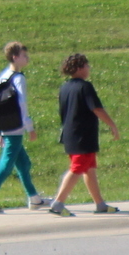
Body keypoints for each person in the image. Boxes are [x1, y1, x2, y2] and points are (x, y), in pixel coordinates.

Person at [0, 42, 50, 214]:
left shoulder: (3, 76)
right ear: (15, 57)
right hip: (16, 126)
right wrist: (30, 127)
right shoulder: (18, 79)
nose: (27, 58)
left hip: (4, 126)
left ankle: (34, 198)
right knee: (7, 162)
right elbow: (22, 105)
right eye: (24, 55)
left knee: (23, 162)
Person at [49, 54, 121, 217]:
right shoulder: (85, 87)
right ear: (80, 68)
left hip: (70, 133)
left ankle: (100, 204)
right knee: (77, 168)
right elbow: (97, 109)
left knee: (89, 169)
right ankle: (58, 203)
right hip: (83, 135)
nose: (89, 69)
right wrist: (112, 125)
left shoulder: (64, 87)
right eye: (87, 66)